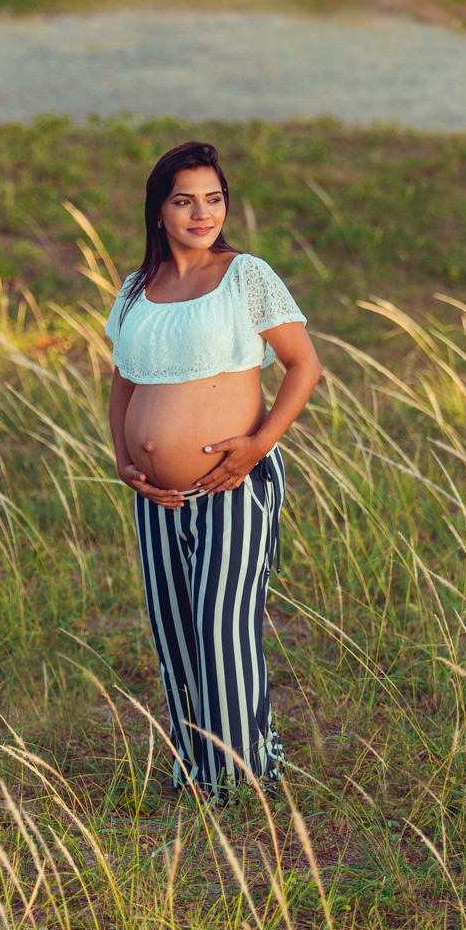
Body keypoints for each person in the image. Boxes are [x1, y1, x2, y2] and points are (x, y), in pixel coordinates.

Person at [105, 140, 322, 800]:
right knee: (173, 631)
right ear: (159, 210)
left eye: (214, 199)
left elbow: (303, 367)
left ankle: (240, 780)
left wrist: (258, 446)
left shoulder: (245, 275)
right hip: (155, 497)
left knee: (221, 630)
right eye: (184, 200)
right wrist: (124, 459)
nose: (203, 213)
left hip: (232, 482)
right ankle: (196, 767)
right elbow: (122, 382)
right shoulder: (137, 288)